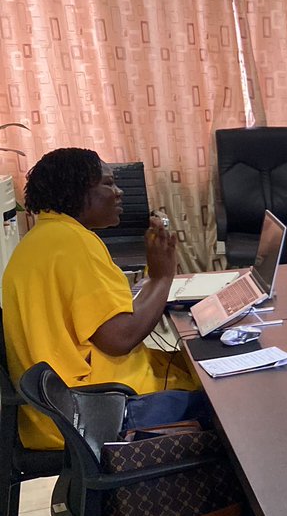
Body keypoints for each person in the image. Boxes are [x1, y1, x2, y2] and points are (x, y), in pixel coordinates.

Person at [3, 148, 206, 451]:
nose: (119, 192)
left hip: (54, 411)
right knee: (220, 399)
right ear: (78, 191)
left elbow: (110, 317)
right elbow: (119, 338)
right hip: (94, 414)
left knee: (193, 369)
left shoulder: (43, 238)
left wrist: (153, 277)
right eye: (108, 184)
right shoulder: (74, 244)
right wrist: (164, 278)